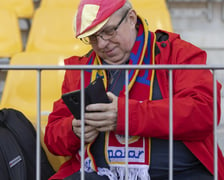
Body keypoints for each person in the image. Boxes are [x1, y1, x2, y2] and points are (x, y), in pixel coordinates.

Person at [44, 0, 224, 179]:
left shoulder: (176, 53)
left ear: (131, 18)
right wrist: (73, 131)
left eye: (108, 31)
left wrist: (126, 115)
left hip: (180, 173)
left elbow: (204, 111)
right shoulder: (81, 69)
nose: (101, 44)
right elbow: (53, 138)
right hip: (99, 173)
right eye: (92, 37)